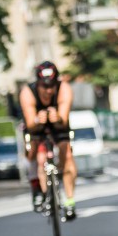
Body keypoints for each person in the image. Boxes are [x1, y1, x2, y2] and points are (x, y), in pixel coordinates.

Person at [19, 61, 77, 220]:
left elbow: (64, 120)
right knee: (35, 154)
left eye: (52, 85)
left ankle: (70, 201)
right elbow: (30, 124)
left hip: (57, 124)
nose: (49, 90)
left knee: (67, 155)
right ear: (37, 84)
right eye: (44, 87)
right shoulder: (27, 92)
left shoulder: (64, 89)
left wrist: (57, 118)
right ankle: (37, 187)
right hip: (36, 125)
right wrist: (38, 120)